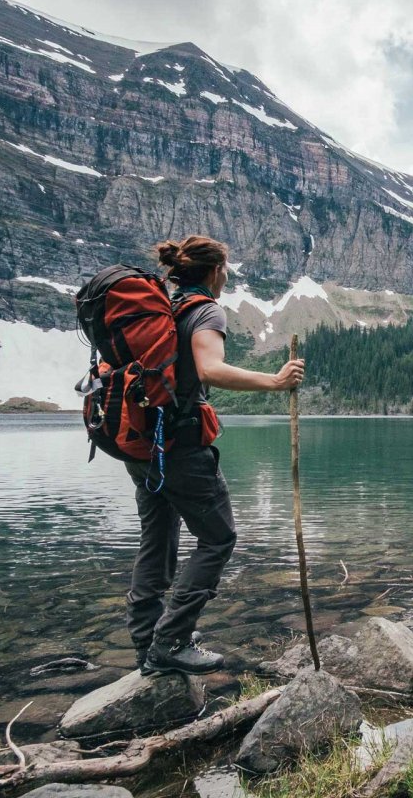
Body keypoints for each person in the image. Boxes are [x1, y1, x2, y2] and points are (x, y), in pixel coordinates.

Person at [128, 235, 305, 676]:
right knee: (218, 538)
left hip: (141, 444)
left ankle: (148, 642)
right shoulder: (205, 309)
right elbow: (210, 369)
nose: (227, 276)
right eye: (225, 269)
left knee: (158, 541)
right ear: (214, 271)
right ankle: (169, 642)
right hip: (182, 449)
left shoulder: (161, 310)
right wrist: (275, 382)